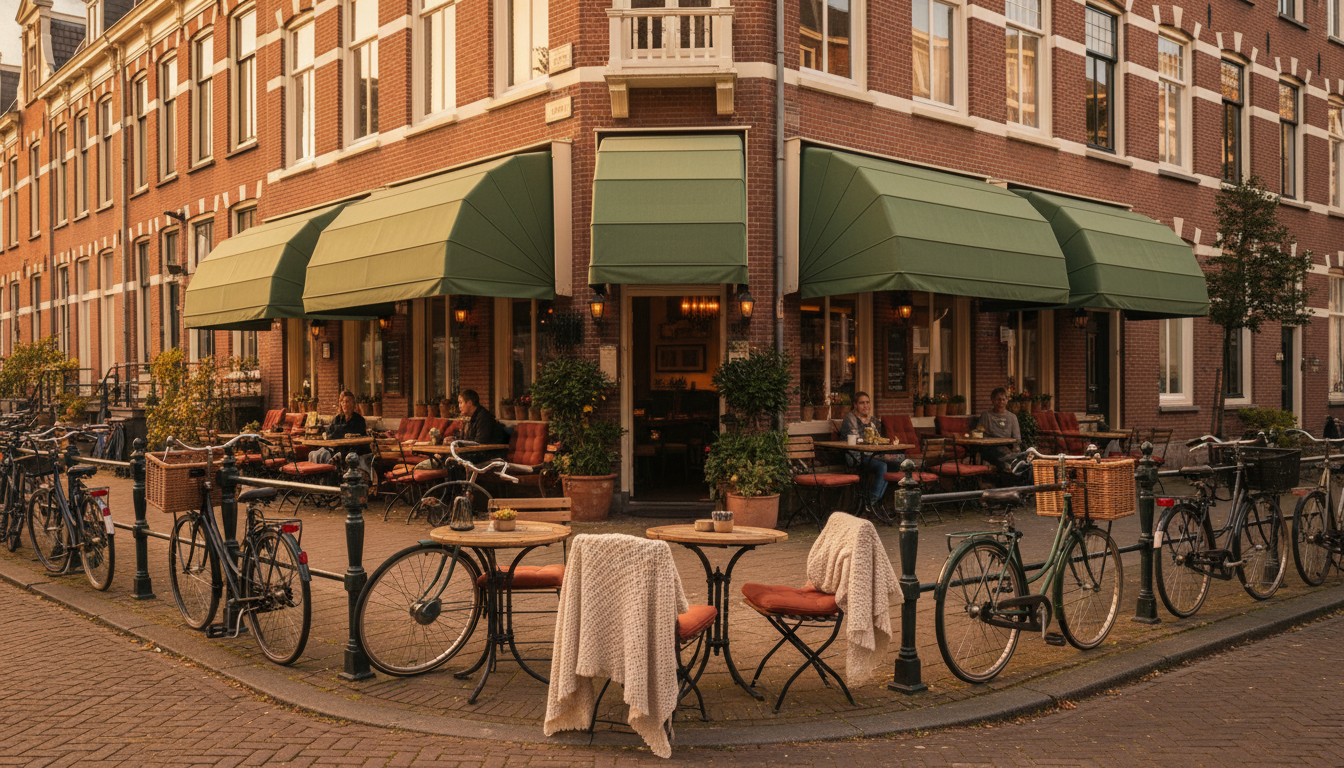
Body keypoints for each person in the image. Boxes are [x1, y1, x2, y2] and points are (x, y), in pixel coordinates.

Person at [839, 391, 904, 512]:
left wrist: (885, 444)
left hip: (873, 455)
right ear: (855, 405)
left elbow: (877, 439)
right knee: (882, 466)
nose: (865, 406)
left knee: (898, 461)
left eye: (867, 402)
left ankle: (875, 500)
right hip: (856, 456)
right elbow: (856, 440)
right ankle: (871, 502)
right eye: (862, 403)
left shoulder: (873, 420)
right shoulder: (850, 418)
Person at [308, 390, 373, 479]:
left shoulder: (359, 420)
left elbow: (350, 433)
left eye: (347, 401)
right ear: (341, 404)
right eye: (343, 402)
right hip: (337, 448)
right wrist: (329, 435)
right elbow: (329, 433)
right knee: (317, 453)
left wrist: (335, 433)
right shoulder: (338, 419)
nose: (345, 404)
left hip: (353, 449)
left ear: (353, 404)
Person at [975, 388, 1024, 482]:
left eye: (1003, 399)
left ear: (1007, 400)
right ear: (993, 400)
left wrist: (1016, 451)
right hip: (990, 448)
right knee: (1006, 459)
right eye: (998, 399)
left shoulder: (1012, 417)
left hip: (1008, 448)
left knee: (1023, 462)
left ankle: (1019, 486)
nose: (1001, 402)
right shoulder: (986, 415)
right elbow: (980, 434)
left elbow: (1017, 439)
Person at [457, 389, 508, 463]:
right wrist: (455, 440)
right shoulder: (473, 418)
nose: (459, 406)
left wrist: (460, 445)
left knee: (454, 459)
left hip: (489, 455)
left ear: (469, 403)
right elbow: (469, 440)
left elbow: (480, 442)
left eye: (461, 403)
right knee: (448, 456)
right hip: (478, 452)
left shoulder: (483, 417)